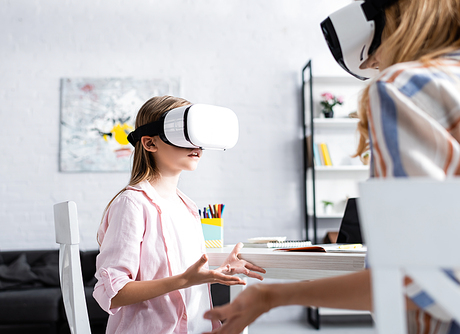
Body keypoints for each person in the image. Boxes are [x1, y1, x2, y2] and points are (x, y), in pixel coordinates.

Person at [203, 0, 460, 333]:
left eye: (372, 52)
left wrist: (270, 296)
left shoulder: (406, 89)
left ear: (394, 24)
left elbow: (423, 281)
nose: (373, 65)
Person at [93, 95, 266, 334]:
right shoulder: (132, 204)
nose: (196, 146)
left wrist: (219, 272)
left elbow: (184, 275)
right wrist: (184, 280)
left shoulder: (188, 207)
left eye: (197, 136)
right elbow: (111, 295)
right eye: (184, 136)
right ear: (150, 143)